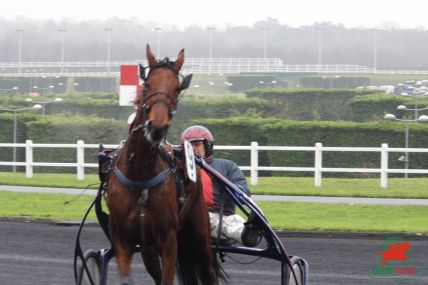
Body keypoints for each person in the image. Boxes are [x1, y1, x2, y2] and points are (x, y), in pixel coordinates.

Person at [181, 125, 263, 247]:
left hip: (222, 216)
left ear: (207, 146)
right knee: (210, 221)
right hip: (192, 216)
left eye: (197, 144)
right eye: (189, 145)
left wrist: (234, 190)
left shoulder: (227, 166)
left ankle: (249, 231)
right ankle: (244, 234)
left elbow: (244, 189)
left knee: (234, 220)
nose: (193, 149)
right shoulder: (179, 169)